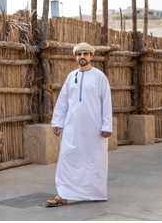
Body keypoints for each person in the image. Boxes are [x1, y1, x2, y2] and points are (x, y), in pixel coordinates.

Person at [46, 42, 113, 207]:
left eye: (85, 54)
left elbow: (107, 102)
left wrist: (106, 125)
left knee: (94, 159)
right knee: (67, 157)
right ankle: (63, 194)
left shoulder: (99, 77)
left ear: (91, 56)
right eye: (79, 54)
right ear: (75, 57)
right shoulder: (71, 76)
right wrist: (58, 123)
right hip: (73, 127)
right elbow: (62, 102)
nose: (82, 57)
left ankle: (95, 193)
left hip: (94, 128)